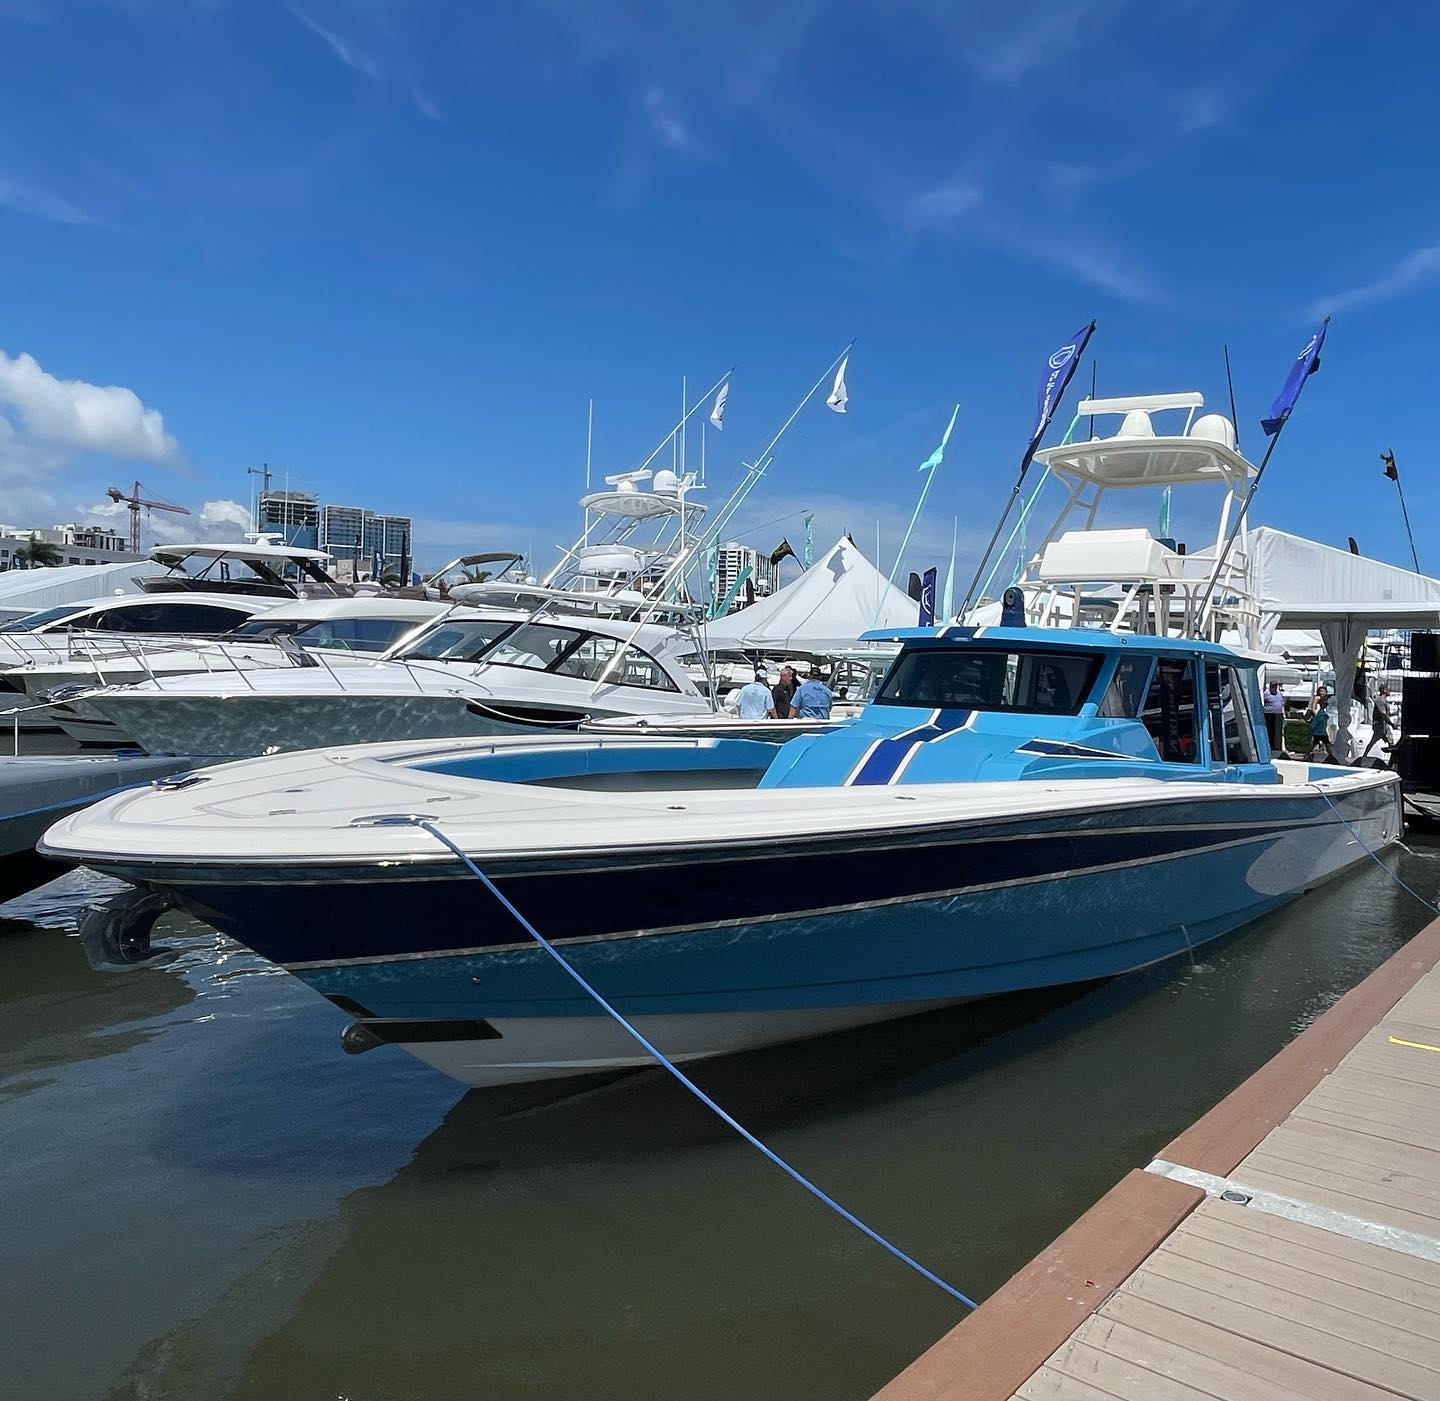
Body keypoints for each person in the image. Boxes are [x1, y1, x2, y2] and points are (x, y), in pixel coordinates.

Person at [1362, 683, 1394, 759]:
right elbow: (1383, 714)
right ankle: (1364, 757)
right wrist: (1391, 724)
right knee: (1373, 742)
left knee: (1391, 744)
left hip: (1384, 726)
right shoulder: (1380, 700)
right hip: (1380, 726)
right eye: (1389, 689)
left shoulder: (1383, 700)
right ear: (1384, 690)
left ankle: (1392, 761)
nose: (1390, 691)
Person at [1307, 686, 1339, 763]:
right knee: (1325, 742)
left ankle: (1308, 754)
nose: (1322, 692)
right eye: (1321, 691)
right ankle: (1331, 756)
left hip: (1321, 726)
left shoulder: (1324, 700)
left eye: (1324, 691)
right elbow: (1313, 708)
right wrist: (1317, 716)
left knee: (1317, 742)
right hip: (1319, 725)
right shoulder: (1317, 698)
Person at [1262, 680, 1287, 754]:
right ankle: (1269, 746)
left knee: (1277, 731)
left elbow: (1282, 704)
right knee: (1270, 730)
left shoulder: (1279, 694)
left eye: (1276, 685)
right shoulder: (1266, 693)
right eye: (1273, 685)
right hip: (1269, 714)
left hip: (1278, 714)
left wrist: (1283, 714)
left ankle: (1277, 746)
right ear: (1270, 686)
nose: (1274, 687)